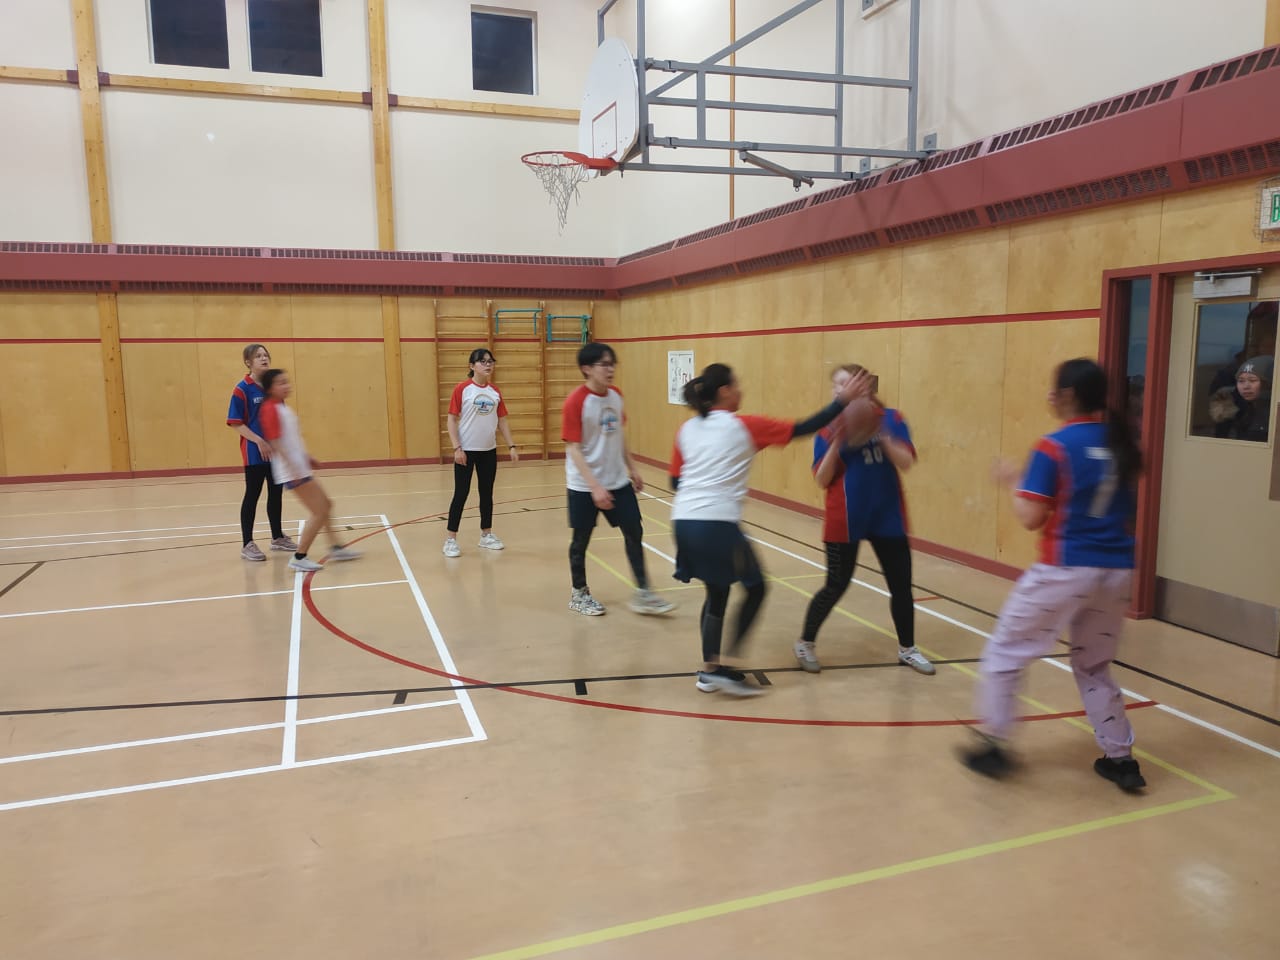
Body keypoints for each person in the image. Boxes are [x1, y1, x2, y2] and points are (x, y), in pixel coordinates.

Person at [962, 358, 1146, 792]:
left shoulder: (1054, 446)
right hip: (1117, 572)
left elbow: (1031, 517)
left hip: (1065, 568)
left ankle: (995, 745)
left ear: (1067, 396)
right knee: (1094, 665)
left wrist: (1013, 480)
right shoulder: (1121, 444)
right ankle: (1121, 760)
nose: (1048, 395)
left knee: (1005, 651)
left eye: (1053, 388)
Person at [670, 362, 871, 697]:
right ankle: (725, 668)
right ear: (725, 392)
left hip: (682, 521)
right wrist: (843, 401)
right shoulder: (744, 426)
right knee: (756, 587)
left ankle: (710, 671)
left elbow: (675, 481)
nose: (741, 391)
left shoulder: (687, 429)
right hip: (716, 523)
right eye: (737, 385)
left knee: (717, 592)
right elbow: (805, 427)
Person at [795, 364, 934, 676]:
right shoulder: (828, 427)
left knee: (901, 585)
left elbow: (906, 462)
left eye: (845, 384)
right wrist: (839, 441)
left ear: (865, 387)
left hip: (887, 514)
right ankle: (805, 642)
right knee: (836, 585)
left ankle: (907, 649)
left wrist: (878, 432)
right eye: (835, 386)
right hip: (845, 517)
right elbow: (821, 479)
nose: (838, 390)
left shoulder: (892, 419)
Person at [562, 342, 675, 617]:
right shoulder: (576, 401)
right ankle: (579, 594)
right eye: (603, 364)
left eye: (612, 363)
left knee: (634, 532)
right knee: (581, 540)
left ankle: (644, 592)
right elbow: (573, 449)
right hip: (584, 484)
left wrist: (632, 468)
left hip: (617, 480)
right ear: (586, 369)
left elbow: (619, 434)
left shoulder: (616, 395)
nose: (610, 369)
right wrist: (594, 487)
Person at [258, 369, 362, 573]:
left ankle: (336, 547)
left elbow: (291, 440)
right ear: (270, 388)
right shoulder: (270, 409)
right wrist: (294, 467)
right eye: (281, 383)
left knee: (326, 505)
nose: (287, 386)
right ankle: (299, 557)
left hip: (299, 466)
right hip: (292, 470)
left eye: (287, 381)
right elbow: (276, 443)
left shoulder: (281, 407)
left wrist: (306, 458)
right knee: (319, 511)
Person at [443, 348, 518, 558]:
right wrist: (457, 447)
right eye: (483, 361)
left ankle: (486, 535)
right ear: (472, 366)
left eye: (490, 361)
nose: (488, 365)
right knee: (461, 494)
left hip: (488, 451)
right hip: (466, 451)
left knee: (487, 494)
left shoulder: (495, 392)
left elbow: (502, 420)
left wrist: (511, 446)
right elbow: (451, 419)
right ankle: (450, 540)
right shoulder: (462, 389)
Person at [226, 343, 295, 562]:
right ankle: (247, 543)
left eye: (266, 355)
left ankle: (277, 537)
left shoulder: (272, 388)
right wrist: (259, 441)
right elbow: (235, 422)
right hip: (254, 452)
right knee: (252, 495)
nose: (264, 359)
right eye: (258, 356)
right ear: (248, 362)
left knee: (276, 493)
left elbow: (279, 419)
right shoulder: (242, 389)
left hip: (275, 452)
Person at [1216, 355, 1273, 443]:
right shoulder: (1235, 407)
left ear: (1268, 384)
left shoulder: (1271, 412)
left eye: (1253, 380)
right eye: (1241, 381)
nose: (1246, 386)